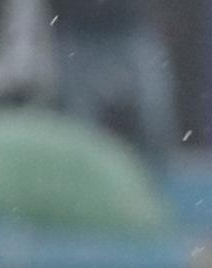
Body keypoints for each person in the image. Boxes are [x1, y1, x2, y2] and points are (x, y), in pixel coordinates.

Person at [52, 0, 176, 161]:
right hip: (79, 32)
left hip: (131, 27)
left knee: (155, 117)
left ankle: (158, 176)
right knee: (79, 127)